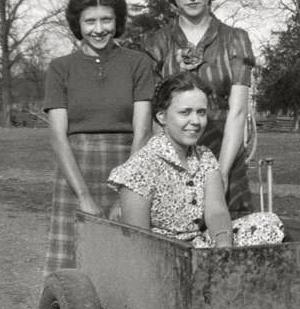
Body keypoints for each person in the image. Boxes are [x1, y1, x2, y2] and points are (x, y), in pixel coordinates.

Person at [43, 0, 154, 276]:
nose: (99, 28)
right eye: (89, 21)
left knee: (127, 268)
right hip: (76, 173)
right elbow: (57, 136)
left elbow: (143, 132)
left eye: (106, 19)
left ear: (117, 21)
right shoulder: (60, 68)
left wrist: (124, 195)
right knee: (71, 272)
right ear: (77, 24)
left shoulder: (138, 63)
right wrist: (83, 198)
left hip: (129, 169)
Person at [108, 72, 283, 248]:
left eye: (201, 112)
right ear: (161, 116)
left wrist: (223, 244)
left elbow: (216, 211)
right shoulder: (139, 168)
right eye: (185, 112)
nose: (195, 121)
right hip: (162, 253)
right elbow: (138, 241)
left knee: (268, 223)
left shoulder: (204, 157)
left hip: (200, 247)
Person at [143, 0, 255, 217]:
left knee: (231, 236)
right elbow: (155, 115)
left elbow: (238, 112)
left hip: (224, 151)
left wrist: (221, 174)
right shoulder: (156, 43)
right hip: (172, 154)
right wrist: (171, 167)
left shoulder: (234, 39)